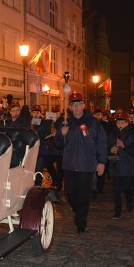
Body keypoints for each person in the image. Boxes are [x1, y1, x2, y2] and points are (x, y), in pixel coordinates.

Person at [53, 91, 107, 233]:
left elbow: (101, 142)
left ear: (83, 105)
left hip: (86, 164)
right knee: (70, 194)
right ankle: (79, 213)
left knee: (84, 195)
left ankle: (81, 221)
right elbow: (58, 144)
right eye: (73, 105)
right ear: (70, 107)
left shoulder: (93, 122)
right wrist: (61, 134)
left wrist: (101, 161)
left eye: (78, 104)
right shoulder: (64, 121)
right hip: (69, 164)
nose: (76, 107)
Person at [107, 112, 134, 219]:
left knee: (126, 187)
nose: (120, 124)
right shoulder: (112, 133)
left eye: (122, 122)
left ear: (127, 123)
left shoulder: (132, 133)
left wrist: (124, 146)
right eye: (118, 122)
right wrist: (110, 150)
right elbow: (106, 146)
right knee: (116, 190)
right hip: (115, 163)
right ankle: (117, 210)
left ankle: (130, 202)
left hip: (126, 164)